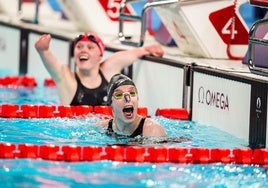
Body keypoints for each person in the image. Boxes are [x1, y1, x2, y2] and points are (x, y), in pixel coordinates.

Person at [35, 33, 164, 106]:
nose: (83, 50)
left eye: (90, 47)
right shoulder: (67, 80)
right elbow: (48, 57)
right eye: (79, 47)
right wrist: (43, 49)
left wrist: (147, 50)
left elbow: (133, 54)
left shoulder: (108, 70)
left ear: (100, 55)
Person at [104, 73, 166, 138]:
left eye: (132, 93)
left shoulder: (153, 131)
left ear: (137, 99)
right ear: (111, 104)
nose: (127, 99)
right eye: (119, 95)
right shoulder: (103, 127)